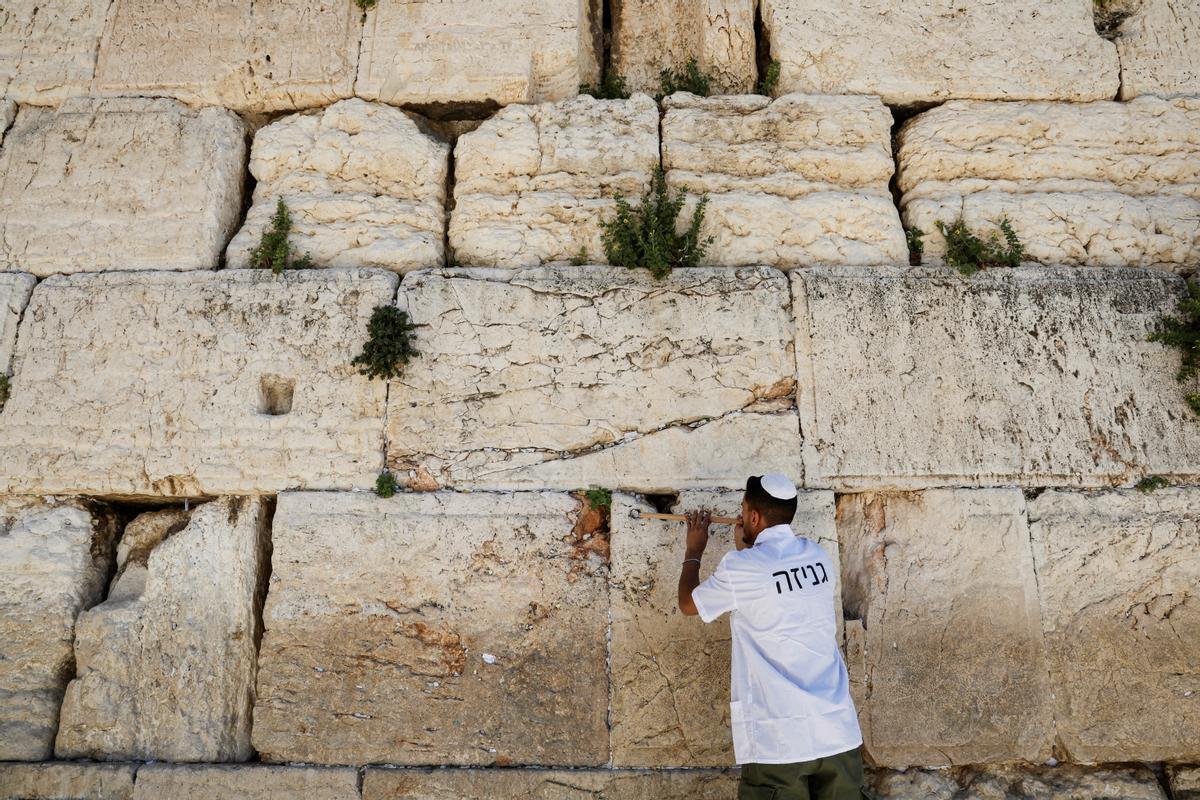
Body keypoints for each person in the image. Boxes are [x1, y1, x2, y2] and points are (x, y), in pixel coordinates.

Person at [677, 474, 866, 800]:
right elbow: (776, 588)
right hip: (836, 731)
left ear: (753, 517)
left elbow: (688, 604)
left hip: (779, 741)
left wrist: (694, 549)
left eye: (744, 510)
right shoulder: (817, 556)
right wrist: (746, 551)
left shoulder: (741, 568)